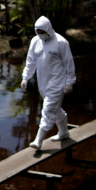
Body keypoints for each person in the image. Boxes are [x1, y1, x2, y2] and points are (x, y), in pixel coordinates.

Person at [21, 16, 76, 150]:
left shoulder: (61, 42)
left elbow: (69, 64)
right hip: (43, 83)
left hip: (57, 83)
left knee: (48, 109)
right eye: (37, 32)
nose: (40, 35)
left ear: (48, 29)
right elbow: (30, 61)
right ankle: (63, 132)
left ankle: (38, 140)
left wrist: (70, 82)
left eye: (42, 32)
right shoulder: (35, 42)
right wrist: (25, 77)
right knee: (54, 108)